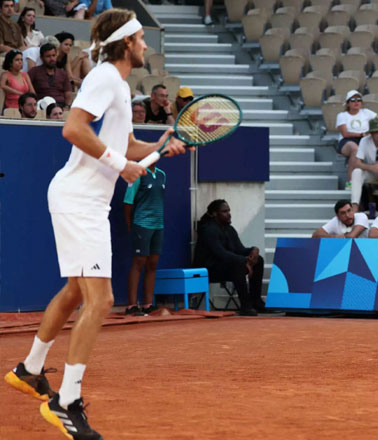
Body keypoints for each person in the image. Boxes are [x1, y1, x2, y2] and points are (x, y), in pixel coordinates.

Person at [3, 10, 188, 439]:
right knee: (101, 299)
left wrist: (157, 145)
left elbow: (124, 144)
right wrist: (120, 164)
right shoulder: (106, 76)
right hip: (79, 199)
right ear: (126, 43)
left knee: (75, 291)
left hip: (84, 199)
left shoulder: (118, 86)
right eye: (142, 38)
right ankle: (66, 402)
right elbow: (73, 128)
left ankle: (29, 369)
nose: (146, 45)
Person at [193, 199, 265, 315]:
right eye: (224, 211)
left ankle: (256, 301)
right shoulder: (208, 230)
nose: (229, 214)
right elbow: (220, 253)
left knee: (258, 260)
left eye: (229, 211)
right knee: (238, 265)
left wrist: (253, 250)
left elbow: (240, 250)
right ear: (215, 214)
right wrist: (244, 261)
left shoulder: (229, 229)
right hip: (209, 269)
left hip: (224, 266)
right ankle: (245, 306)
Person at [124, 163, 165, 316]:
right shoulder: (137, 174)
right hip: (141, 224)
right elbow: (128, 202)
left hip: (158, 225)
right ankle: (131, 306)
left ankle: (148, 304)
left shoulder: (162, 175)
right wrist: (130, 226)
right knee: (139, 262)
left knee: (153, 263)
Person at [336, 90, 378, 189]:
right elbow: (345, 133)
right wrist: (361, 134)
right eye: (353, 100)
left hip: (365, 138)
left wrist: (371, 132)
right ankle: (350, 182)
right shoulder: (342, 115)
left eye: (358, 99)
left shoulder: (366, 112)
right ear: (348, 103)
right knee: (355, 149)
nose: (356, 102)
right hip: (347, 141)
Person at [29, 43, 73, 107]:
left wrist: (67, 107)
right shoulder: (34, 71)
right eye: (48, 56)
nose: (52, 58)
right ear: (41, 58)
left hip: (60, 106)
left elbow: (68, 94)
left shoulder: (63, 73)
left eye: (53, 55)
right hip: (42, 106)